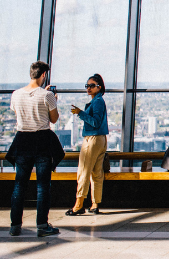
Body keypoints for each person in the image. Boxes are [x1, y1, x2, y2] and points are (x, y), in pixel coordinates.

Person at [6, 61, 62, 237]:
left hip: (22, 141)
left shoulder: (16, 95)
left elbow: (18, 114)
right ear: (44, 75)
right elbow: (53, 119)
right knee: (43, 186)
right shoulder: (47, 96)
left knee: (19, 185)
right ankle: (42, 226)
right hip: (42, 142)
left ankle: (15, 225)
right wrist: (53, 100)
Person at [66, 74, 109, 216]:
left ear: (99, 87)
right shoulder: (99, 101)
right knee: (97, 173)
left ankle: (78, 205)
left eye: (92, 85)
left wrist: (80, 113)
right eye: (87, 86)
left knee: (83, 171)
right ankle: (95, 204)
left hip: (92, 139)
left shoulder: (97, 102)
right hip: (101, 139)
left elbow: (95, 122)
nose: (88, 88)